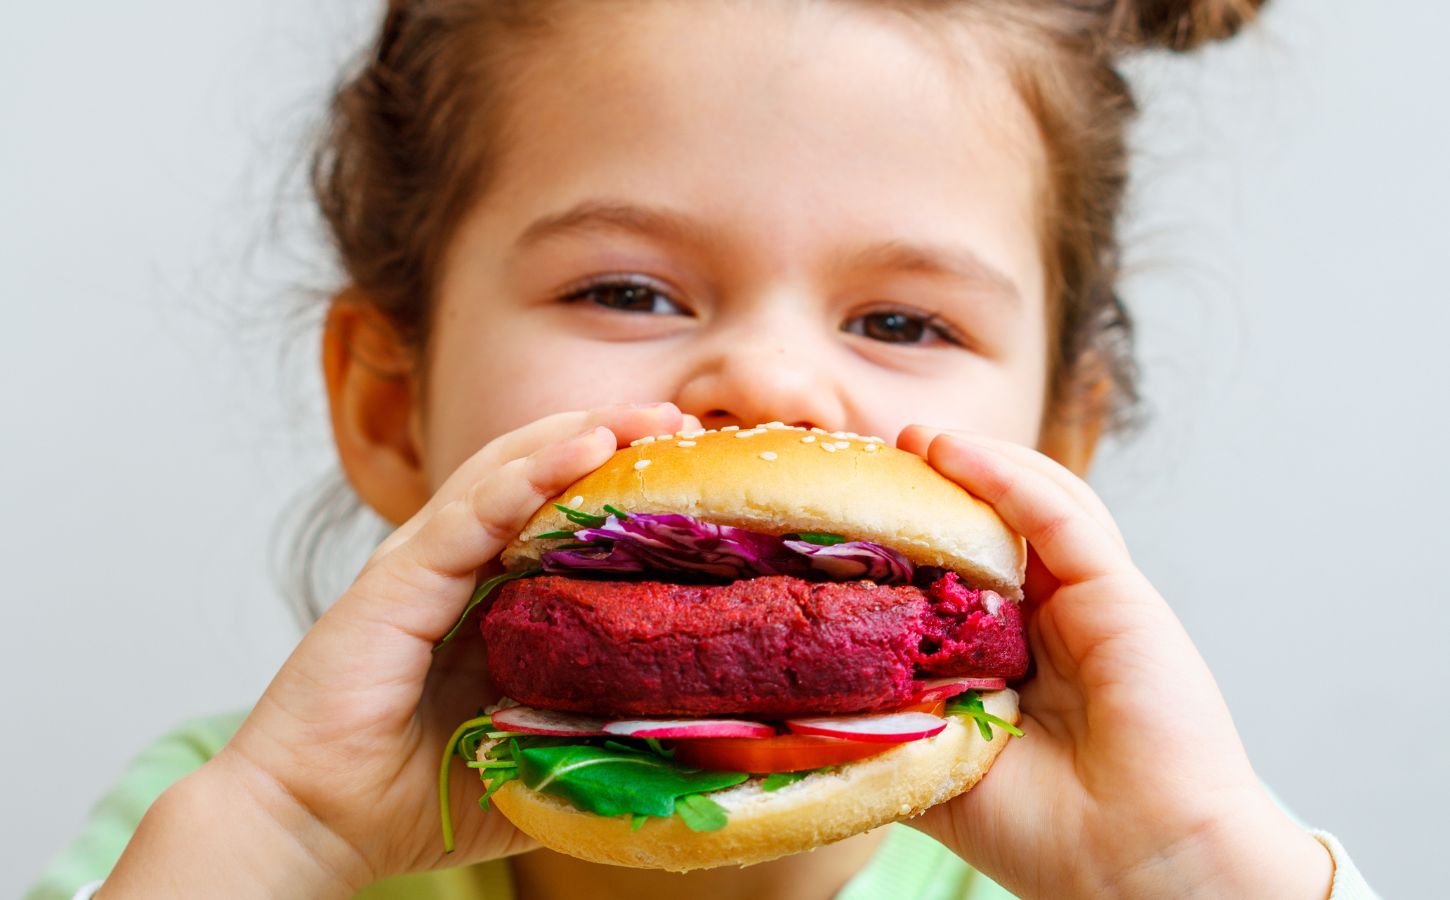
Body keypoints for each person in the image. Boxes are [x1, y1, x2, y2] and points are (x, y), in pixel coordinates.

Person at [27, 0, 1378, 897]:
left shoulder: (1114, 871)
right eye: (626, 292)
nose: (772, 380)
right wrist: (283, 842)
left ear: (1058, 450)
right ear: (390, 406)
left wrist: (1189, 867)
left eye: (901, 319)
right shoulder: (219, 824)